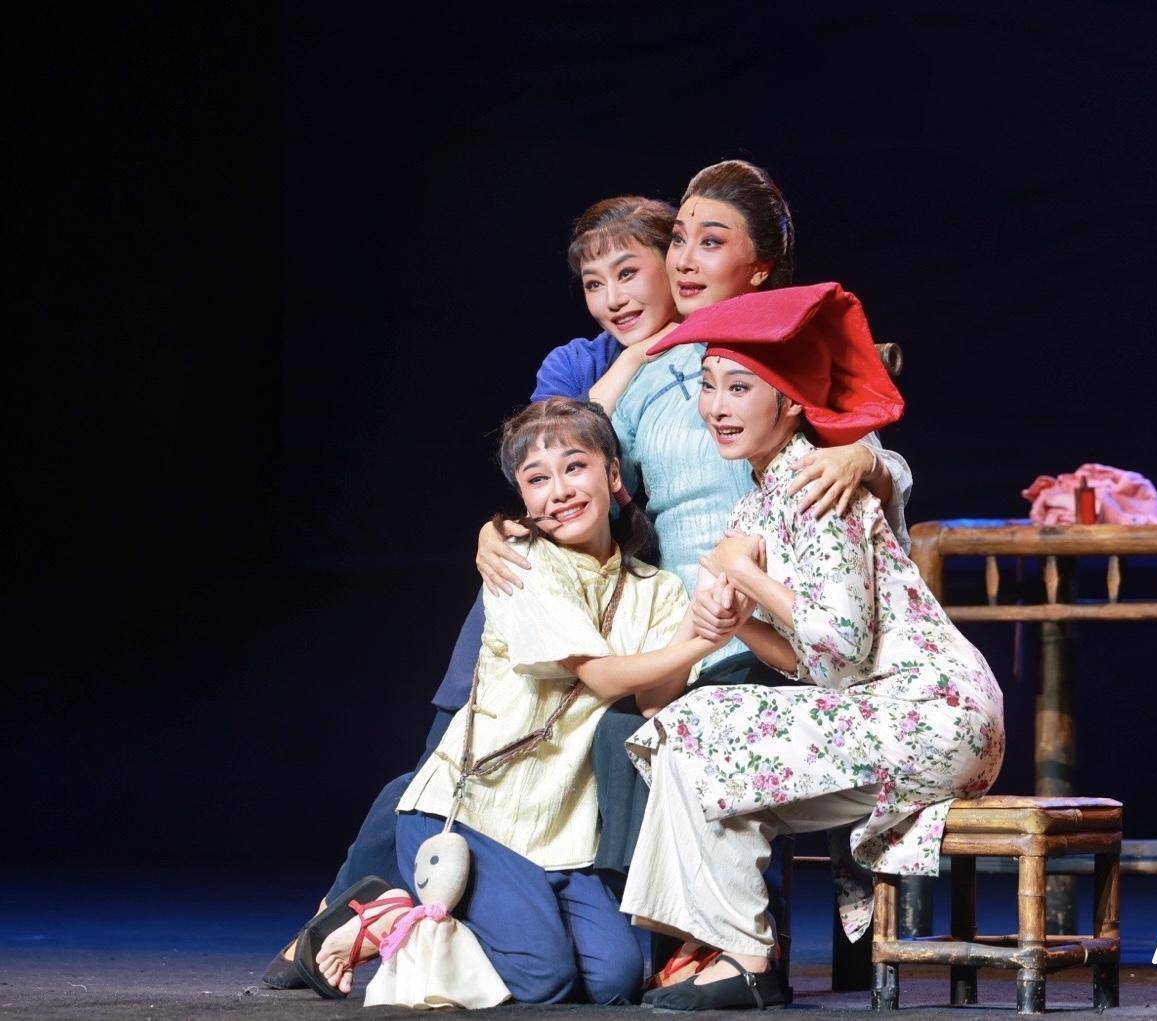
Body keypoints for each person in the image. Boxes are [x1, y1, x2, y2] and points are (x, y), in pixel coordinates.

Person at [263, 195, 682, 988]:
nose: (614, 297)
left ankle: (563, 924)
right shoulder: (578, 362)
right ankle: (338, 913)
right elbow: (555, 446)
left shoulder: (712, 359)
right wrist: (638, 357)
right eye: (595, 284)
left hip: (635, 589)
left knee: (565, 775)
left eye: (630, 273)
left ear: (677, 263)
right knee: (451, 760)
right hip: (545, 580)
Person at [473, 160, 916, 888]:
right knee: (624, 724)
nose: (683, 259)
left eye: (709, 242)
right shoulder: (649, 373)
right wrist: (500, 526)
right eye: (678, 239)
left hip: (796, 620)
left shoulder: (792, 346)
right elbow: (580, 475)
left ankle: (754, 927)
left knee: (713, 718)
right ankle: (646, 925)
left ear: (760, 267)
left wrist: (861, 459)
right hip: (692, 619)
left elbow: (879, 457)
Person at [620, 283, 1006, 1010]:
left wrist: (743, 577)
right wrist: (736, 622)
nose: (716, 406)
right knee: (704, 753)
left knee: (701, 724)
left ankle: (744, 954)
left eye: (740, 388)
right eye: (708, 385)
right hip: (880, 713)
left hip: (935, 711)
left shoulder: (818, 482)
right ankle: (734, 948)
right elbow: (806, 663)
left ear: (791, 402)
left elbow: (841, 650)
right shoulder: (759, 498)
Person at [294, 397, 747, 1004]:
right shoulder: (521, 564)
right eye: (537, 479)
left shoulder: (657, 588)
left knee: (614, 981)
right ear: (523, 499)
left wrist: (698, 621)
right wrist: (704, 640)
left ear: (613, 474)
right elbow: (601, 677)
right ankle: (395, 912)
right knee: (544, 978)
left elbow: (648, 701)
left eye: (574, 467)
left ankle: (462, 911)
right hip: (476, 811)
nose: (559, 491)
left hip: (562, 833)